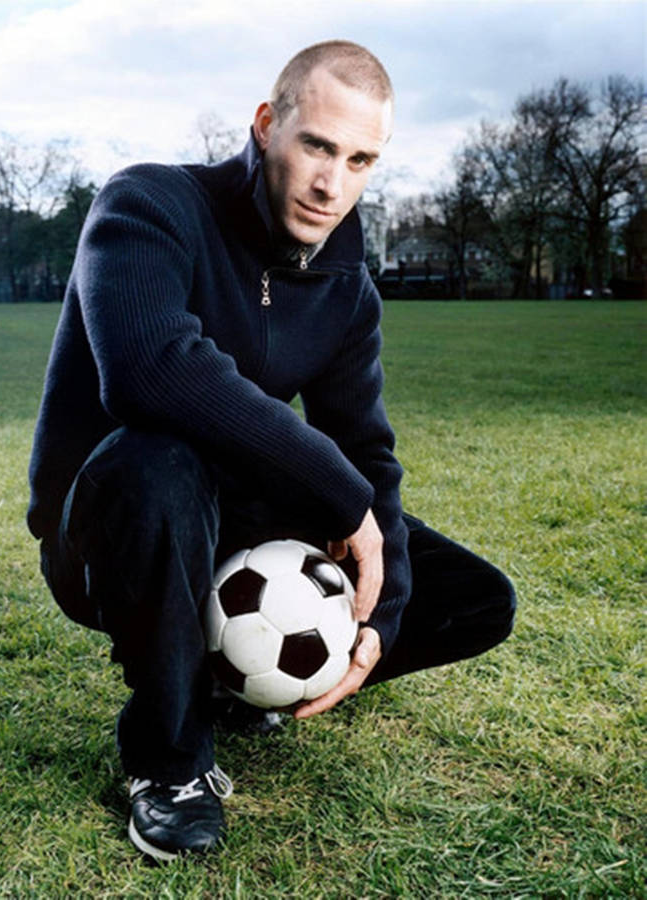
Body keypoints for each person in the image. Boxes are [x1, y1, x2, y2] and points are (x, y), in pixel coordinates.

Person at [28, 40, 516, 862]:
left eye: (360, 159)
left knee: (473, 598)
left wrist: (378, 622)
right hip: (113, 526)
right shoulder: (149, 203)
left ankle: (232, 678)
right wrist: (340, 494)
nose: (333, 183)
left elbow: (367, 449)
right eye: (317, 145)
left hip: (234, 525)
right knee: (158, 460)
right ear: (265, 126)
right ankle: (169, 761)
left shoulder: (345, 287)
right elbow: (149, 369)